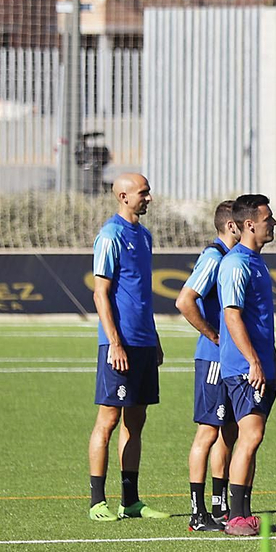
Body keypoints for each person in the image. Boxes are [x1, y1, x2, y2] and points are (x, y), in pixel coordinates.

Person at [88, 172, 168, 521]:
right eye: (143, 192)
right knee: (108, 419)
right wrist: (115, 344)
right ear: (123, 196)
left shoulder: (145, 236)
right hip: (118, 344)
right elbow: (101, 293)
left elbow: (140, 296)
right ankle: (96, 501)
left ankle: (130, 500)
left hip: (144, 342)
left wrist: (154, 337)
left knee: (136, 420)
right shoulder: (110, 235)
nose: (148, 197)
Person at [217, 195, 276, 538]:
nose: (273, 224)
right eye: (268, 219)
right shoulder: (236, 263)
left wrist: (273, 361)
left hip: (258, 364)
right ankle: (235, 516)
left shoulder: (256, 262)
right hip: (244, 368)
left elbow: (259, 321)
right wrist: (255, 362)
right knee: (251, 435)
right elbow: (232, 316)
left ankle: (243, 512)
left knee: (252, 437)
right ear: (249, 224)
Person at [174, 202, 242, 531]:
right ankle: (196, 511)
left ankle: (219, 505)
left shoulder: (231, 259)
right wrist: (211, 333)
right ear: (232, 226)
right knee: (207, 432)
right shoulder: (213, 258)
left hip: (229, 360)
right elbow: (185, 300)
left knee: (229, 431)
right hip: (213, 360)